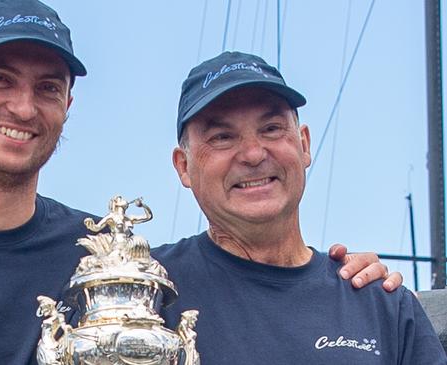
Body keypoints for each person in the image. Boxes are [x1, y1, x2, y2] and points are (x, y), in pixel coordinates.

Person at [0, 1, 400, 364]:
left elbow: (258, 281)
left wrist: (345, 279)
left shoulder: (116, 258)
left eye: (48, 88)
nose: (24, 107)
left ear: (67, 105)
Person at [154, 51, 447, 364]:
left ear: (304, 144)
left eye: (271, 128)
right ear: (183, 166)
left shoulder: (383, 304)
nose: (253, 154)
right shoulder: (144, 287)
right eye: (223, 137)